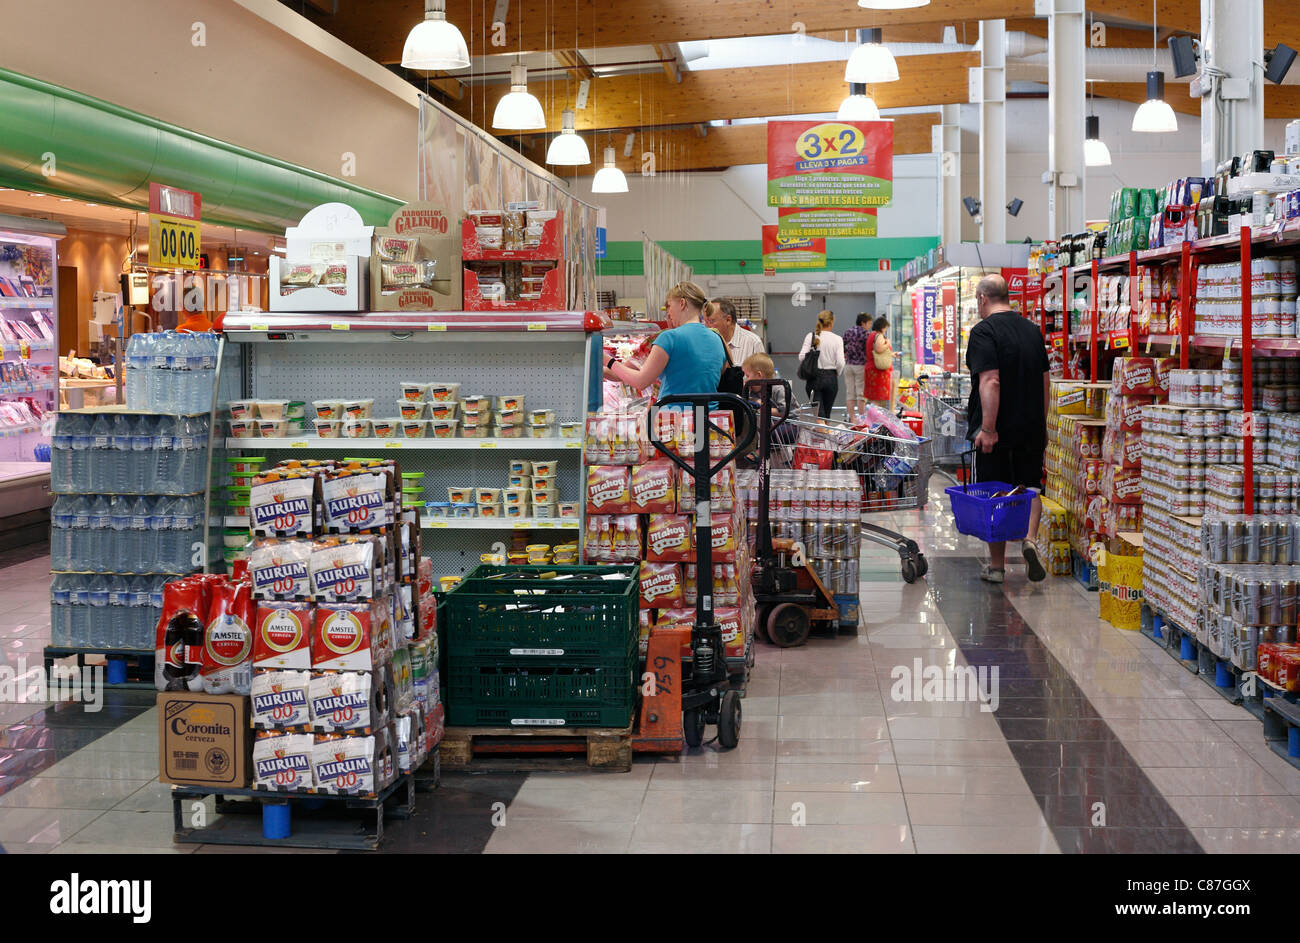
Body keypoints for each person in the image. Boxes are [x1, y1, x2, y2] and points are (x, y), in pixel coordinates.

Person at [966, 274, 1051, 584]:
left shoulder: (983, 331)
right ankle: (1029, 540)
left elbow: (991, 381)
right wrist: (1041, 426)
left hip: (997, 431)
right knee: (1031, 487)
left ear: (982, 299)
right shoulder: (1032, 331)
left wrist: (987, 428)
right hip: (1030, 426)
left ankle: (998, 567)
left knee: (995, 492)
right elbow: (1045, 382)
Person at [603, 280, 725, 400]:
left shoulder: (669, 338)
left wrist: (607, 360)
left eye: (670, 306)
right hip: (707, 415)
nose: (669, 313)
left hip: (674, 415)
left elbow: (640, 381)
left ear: (682, 303)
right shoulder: (716, 338)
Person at [798, 310, 844, 420]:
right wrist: (837, 373)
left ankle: (822, 434)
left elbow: (801, 357)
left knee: (819, 416)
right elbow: (840, 362)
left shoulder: (811, 336)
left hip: (814, 378)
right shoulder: (837, 339)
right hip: (831, 378)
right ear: (832, 322)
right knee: (827, 415)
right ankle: (826, 435)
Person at [704, 299, 765, 367]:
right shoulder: (705, 343)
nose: (706, 327)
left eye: (711, 321)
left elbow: (763, 375)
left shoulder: (753, 343)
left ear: (728, 320)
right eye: (705, 321)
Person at [842, 314, 871, 420]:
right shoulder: (865, 334)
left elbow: (842, 343)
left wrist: (846, 353)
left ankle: (852, 418)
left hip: (848, 365)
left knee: (850, 393)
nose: (869, 326)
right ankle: (862, 419)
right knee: (860, 394)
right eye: (869, 323)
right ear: (863, 323)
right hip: (860, 365)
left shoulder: (849, 331)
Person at [863, 316, 895, 412]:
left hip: (871, 369)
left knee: (874, 397)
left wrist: (892, 354)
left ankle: (872, 417)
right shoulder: (879, 336)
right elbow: (879, 349)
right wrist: (888, 343)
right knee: (877, 398)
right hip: (878, 371)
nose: (886, 330)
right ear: (882, 327)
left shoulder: (871, 335)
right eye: (885, 327)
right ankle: (875, 418)